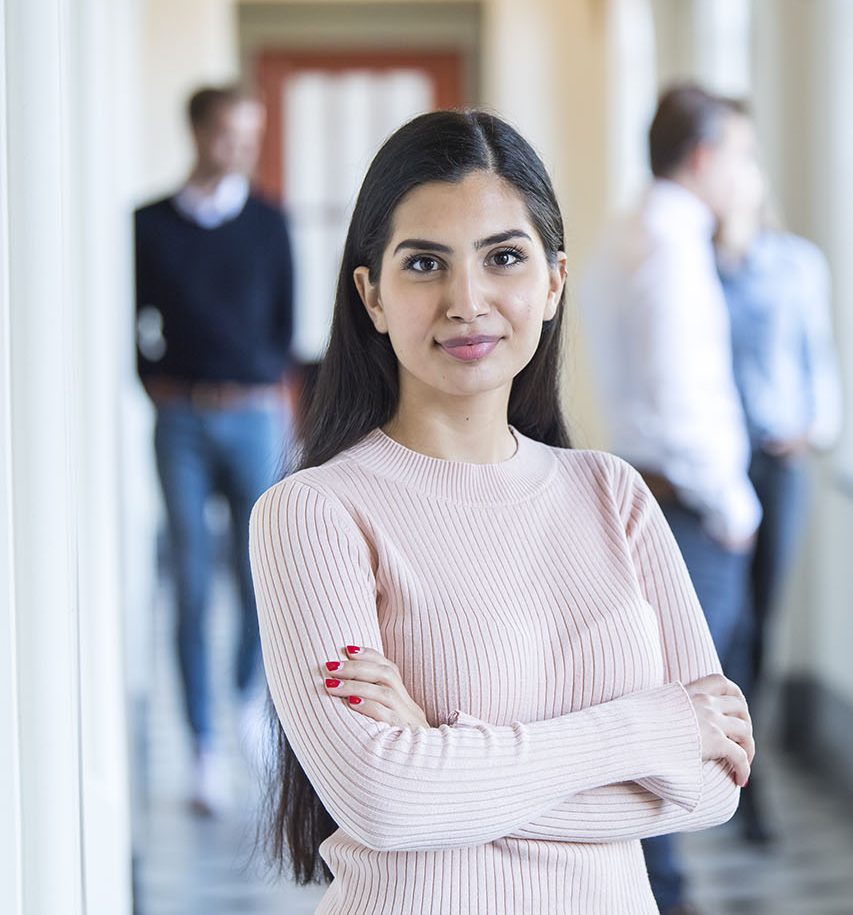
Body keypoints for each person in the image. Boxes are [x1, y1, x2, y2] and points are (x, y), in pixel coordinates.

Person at [249, 109, 754, 914]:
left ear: (553, 282)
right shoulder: (313, 513)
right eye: (424, 264)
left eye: (504, 258)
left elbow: (718, 779)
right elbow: (383, 800)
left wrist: (439, 757)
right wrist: (651, 727)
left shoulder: (612, 492)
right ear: (371, 294)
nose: (468, 300)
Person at [583, 83, 763, 913]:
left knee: (658, 699)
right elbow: (685, 393)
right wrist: (735, 505)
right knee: (684, 710)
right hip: (688, 502)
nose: (745, 174)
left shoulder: (631, 230)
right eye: (740, 155)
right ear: (702, 158)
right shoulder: (674, 241)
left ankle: (657, 881)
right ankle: (663, 889)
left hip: (651, 486)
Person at [134, 84, 294, 814]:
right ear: (198, 131)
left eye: (251, 133)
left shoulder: (269, 222)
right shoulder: (149, 226)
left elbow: (285, 323)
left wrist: (262, 385)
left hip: (255, 415)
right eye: (229, 132)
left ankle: (243, 705)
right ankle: (201, 744)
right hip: (182, 420)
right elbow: (131, 321)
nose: (241, 146)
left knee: (262, 572)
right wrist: (158, 385)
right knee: (192, 584)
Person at [715, 162, 841, 844]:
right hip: (716, 468)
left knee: (762, 621)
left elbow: (818, 355)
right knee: (720, 620)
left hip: (782, 463)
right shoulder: (695, 266)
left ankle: (750, 776)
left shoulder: (797, 264)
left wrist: (816, 427)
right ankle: (712, 762)